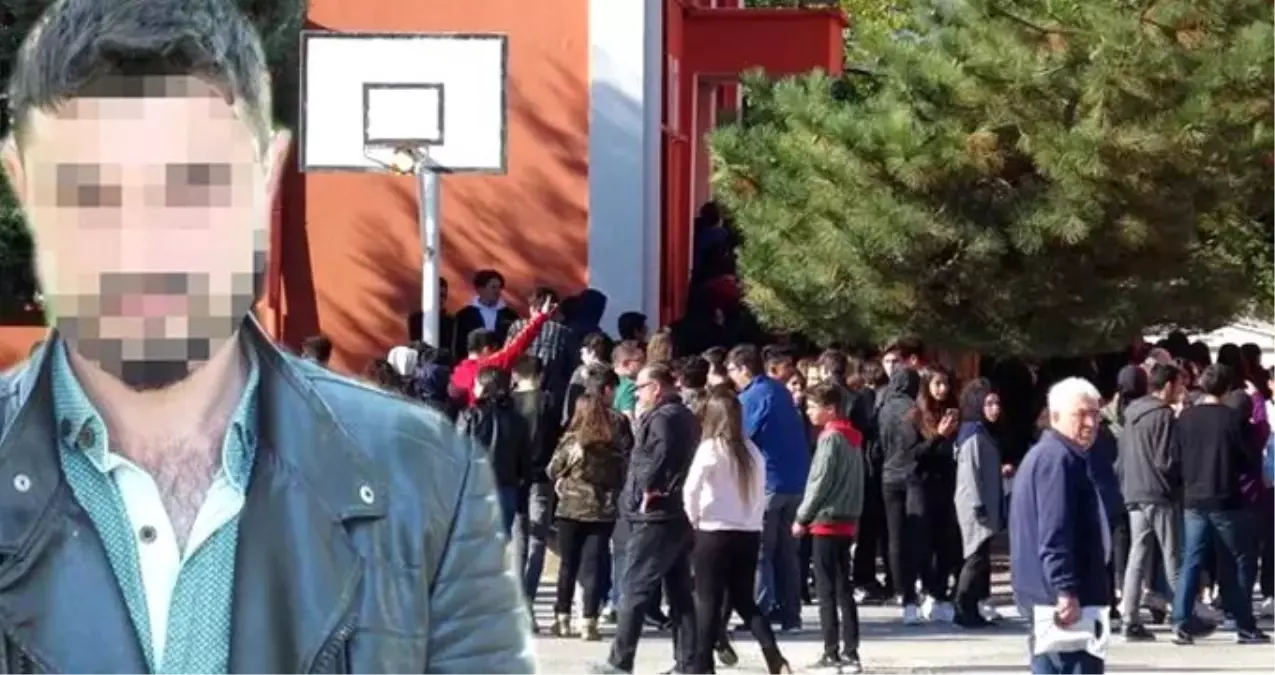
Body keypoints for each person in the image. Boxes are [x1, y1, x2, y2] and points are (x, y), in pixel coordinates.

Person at [0, 0, 533, 671]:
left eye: (192, 184)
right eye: (92, 190)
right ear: (23, 182)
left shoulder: (426, 478)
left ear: (265, 176)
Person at [594, 363, 699, 675]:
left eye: (640, 388)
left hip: (656, 513)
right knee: (679, 590)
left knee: (635, 588)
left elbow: (655, 460)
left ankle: (620, 662)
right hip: (675, 511)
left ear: (656, 387)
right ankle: (690, 662)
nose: (636, 394)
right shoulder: (684, 416)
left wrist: (643, 490)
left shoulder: (663, 418)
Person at [684, 389, 792, 675]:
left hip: (714, 530)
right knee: (744, 599)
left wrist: (693, 518)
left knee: (707, 600)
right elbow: (759, 493)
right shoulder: (752, 451)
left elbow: (691, 488)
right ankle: (774, 656)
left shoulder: (710, 448)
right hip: (747, 532)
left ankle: (702, 664)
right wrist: (752, 521)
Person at [1009, 378, 1110, 675]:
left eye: (1095, 414)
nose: (1090, 423)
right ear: (1055, 416)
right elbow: (1054, 533)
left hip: (1052, 597)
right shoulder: (1057, 460)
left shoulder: (1055, 456)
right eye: (1081, 414)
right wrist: (1065, 589)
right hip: (1060, 602)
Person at [1171, 364, 1269, 645]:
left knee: (1191, 559)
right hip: (1226, 497)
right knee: (1238, 560)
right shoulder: (1232, 419)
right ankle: (1244, 624)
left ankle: (1181, 620)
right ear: (1227, 389)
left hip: (1193, 497)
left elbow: (1175, 457)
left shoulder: (1186, 417)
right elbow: (1248, 457)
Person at [727, 344, 811, 632]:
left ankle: (759, 613)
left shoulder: (751, 397)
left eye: (732, 370)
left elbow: (741, 439)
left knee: (761, 551)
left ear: (743, 369)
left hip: (768, 483)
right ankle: (791, 614)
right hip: (795, 481)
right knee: (788, 552)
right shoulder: (780, 391)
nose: (731, 376)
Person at [547, 377, 631, 641]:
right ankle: (589, 622)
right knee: (593, 565)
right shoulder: (613, 445)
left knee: (568, 565)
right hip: (602, 511)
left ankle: (562, 618)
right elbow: (623, 475)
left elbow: (552, 469)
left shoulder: (572, 441)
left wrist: (563, 477)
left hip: (570, 508)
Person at [794, 382, 866, 672]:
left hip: (825, 519)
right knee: (844, 586)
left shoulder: (830, 439)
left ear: (831, 409)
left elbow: (819, 481)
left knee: (826, 591)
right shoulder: (854, 438)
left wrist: (802, 516)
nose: (809, 412)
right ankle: (851, 651)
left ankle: (831, 651)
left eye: (813, 406)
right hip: (847, 518)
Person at [1118, 363, 1183, 641]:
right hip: (1158, 492)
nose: (1181, 390)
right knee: (1172, 556)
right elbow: (1166, 460)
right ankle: (1182, 616)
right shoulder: (1164, 415)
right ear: (1167, 385)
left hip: (1134, 490)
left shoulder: (1131, 413)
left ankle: (1129, 618)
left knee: (1137, 555)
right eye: (1179, 384)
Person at [511, 354, 561, 627]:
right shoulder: (549, 401)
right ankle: (528, 597)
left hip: (516, 477)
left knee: (519, 537)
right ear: (540, 375)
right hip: (542, 477)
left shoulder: (509, 402)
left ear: (515, 375)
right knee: (538, 539)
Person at [952, 379, 1004, 628]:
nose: (995, 409)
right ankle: (962, 608)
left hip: (984, 503)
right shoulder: (972, 434)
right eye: (989, 403)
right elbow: (970, 472)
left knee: (980, 558)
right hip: (976, 506)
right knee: (974, 558)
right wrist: (978, 504)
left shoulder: (983, 432)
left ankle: (971, 608)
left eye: (997, 403)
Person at [457, 367, 531, 536]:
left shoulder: (471, 416)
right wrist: (522, 497)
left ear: (484, 388)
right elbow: (525, 462)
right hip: (506, 488)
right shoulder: (518, 420)